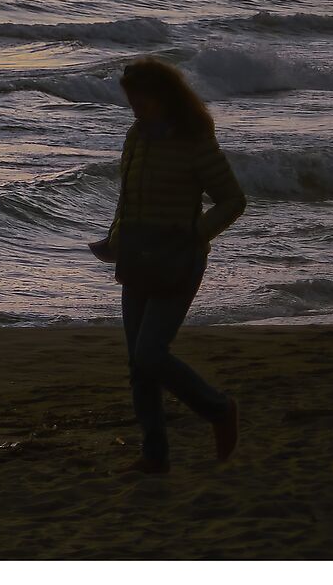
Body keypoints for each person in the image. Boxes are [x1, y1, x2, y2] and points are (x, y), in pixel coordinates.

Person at [87, 57, 247, 474]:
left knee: (150, 354)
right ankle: (154, 455)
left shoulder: (193, 140)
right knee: (138, 364)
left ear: (163, 97)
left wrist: (194, 234)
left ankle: (218, 409)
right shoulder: (135, 136)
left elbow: (233, 200)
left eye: (141, 100)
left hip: (179, 261)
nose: (135, 108)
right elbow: (128, 198)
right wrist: (115, 240)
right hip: (137, 256)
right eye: (131, 100)